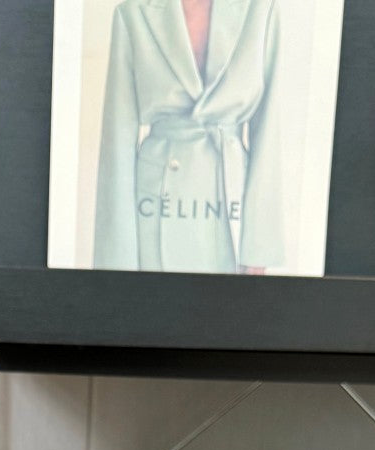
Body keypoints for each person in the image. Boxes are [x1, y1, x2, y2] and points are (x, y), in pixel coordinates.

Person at [93, 0, 285, 274]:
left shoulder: (261, 11)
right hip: (153, 213)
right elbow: (117, 143)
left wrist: (258, 250)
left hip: (232, 211)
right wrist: (116, 266)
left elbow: (268, 132)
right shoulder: (133, 13)